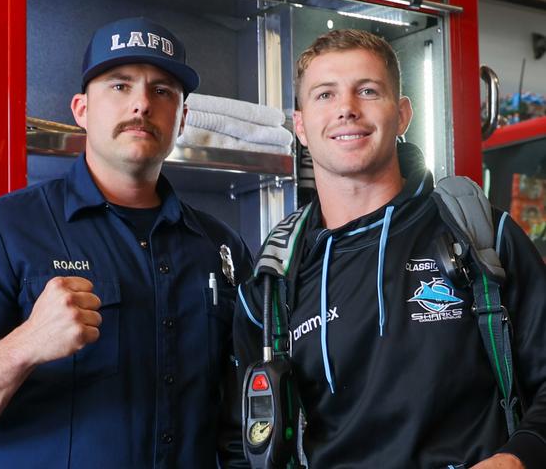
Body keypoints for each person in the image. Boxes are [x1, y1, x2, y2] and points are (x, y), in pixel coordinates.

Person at [0, 17, 251, 468]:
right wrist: (27, 344)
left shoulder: (221, 247)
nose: (141, 105)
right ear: (81, 110)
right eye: (119, 86)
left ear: (182, 119)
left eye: (163, 91)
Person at [234, 29, 546, 469]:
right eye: (325, 95)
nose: (346, 109)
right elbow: (242, 438)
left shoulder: (480, 235)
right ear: (300, 126)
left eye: (367, 90)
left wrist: (518, 457)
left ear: (401, 115)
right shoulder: (271, 285)